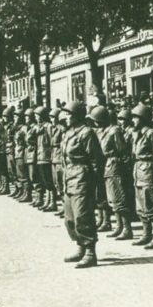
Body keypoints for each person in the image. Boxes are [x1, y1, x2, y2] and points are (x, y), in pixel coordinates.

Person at [61, 100, 104, 268]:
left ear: (77, 116)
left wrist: (94, 183)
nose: (66, 117)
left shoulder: (87, 133)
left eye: (69, 114)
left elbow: (96, 160)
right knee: (69, 219)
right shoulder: (68, 132)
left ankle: (90, 252)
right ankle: (80, 247)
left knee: (83, 217)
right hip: (69, 178)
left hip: (82, 179)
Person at [92, 105, 134, 240]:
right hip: (106, 165)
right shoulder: (103, 130)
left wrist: (123, 166)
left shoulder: (114, 131)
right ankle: (119, 226)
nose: (95, 123)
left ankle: (127, 228)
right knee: (111, 198)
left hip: (115, 165)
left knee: (119, 197)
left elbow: (122, 150)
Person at [131, 103, 153, 247]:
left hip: (148, 170)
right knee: (141, 204)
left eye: (136, 118)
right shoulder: (136, 133)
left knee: (151, 202)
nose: (133, 121)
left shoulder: (150, 133)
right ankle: (146, 234)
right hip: (139, 170)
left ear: (143, 118)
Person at [35, 106, 57, 211]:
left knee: (49, 181)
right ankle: (47, 201)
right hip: (40, 156)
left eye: (38, 115)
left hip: (46, 157)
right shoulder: (39, 127)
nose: (36, 118)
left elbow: (51, 141)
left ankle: (52, 202)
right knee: (44, 180)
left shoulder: (48, 126)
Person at [50, 108, 66, 217]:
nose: (51, 120)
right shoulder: (52, 128)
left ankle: (66, 208)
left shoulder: (61, 129)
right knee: (57, 184)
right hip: (54, 157)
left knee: (62, 183)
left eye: (53, 118)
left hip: (60, 158)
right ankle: (62, 207)